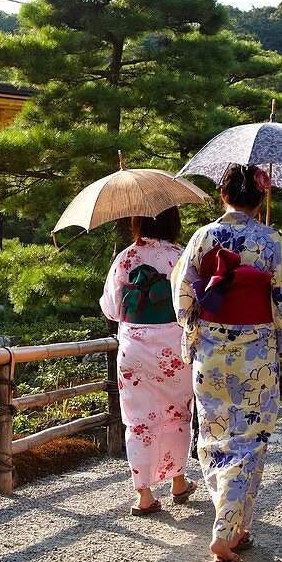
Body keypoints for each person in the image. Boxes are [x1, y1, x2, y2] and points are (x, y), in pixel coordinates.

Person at [170, 164, 282, 562]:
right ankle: (226, 528)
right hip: (256, 357)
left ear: (222, 195)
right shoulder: (271, 239)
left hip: (211, 353)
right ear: (260, 198)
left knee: (213, 436)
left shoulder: (203, 237)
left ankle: (235, 526)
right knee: (249, 438)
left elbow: (182, 300)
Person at [99, 206, 196, 517]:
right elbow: (193, 304)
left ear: (136, 222)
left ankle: (144, 494)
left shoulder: (125, 257)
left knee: (138, 419)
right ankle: (178, 482)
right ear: (174, 223)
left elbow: (112, 308)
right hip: (172, 344)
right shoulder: (181, 255)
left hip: (134, 347)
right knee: (178, 413)